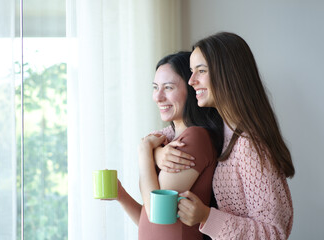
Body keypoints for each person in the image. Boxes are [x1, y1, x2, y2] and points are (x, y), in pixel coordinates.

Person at [155, 32, 295, 239]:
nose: (192, 80)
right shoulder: (223, 128)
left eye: (200, 71)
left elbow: (273, 233)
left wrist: (206, 217)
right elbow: (165, 133)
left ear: (227, 74)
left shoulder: (249, 144)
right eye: (192, 71)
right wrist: (157, 151)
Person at [116, 51, 224, 240]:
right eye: (155, 87)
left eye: (168, 87)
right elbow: (149, 224)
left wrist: (144, 152)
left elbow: (155, 212)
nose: (158, 97)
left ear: (191, 90)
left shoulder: (195, 138)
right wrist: (121, 195)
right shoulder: (170, 142)